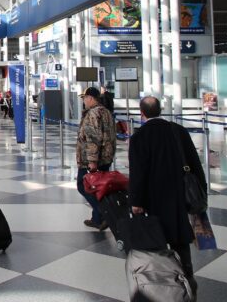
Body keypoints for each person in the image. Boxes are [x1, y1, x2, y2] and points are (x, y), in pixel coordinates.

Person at [129, 96, 205, 296]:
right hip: (180, 195)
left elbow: (138, 172)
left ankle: (165, 281)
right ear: (160, 110)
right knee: (180, 237)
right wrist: (202, 193)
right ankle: (188, 274)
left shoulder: (139, 136)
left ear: (141, 113)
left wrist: (136, 201)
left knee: (158, 238)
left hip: (154, 198)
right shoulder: (178, 130)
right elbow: (195, 164)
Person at [75, 86, 116, 230]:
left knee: (82, 185)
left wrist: (92, 161)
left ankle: (103, 212)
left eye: (84, 98)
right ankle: (97, 218)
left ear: (91, 98)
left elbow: (93, 138)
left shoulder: (93, 114)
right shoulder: (106, 111)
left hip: (92, 160)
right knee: (99, 188)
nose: (84, 101)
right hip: (105, 157)